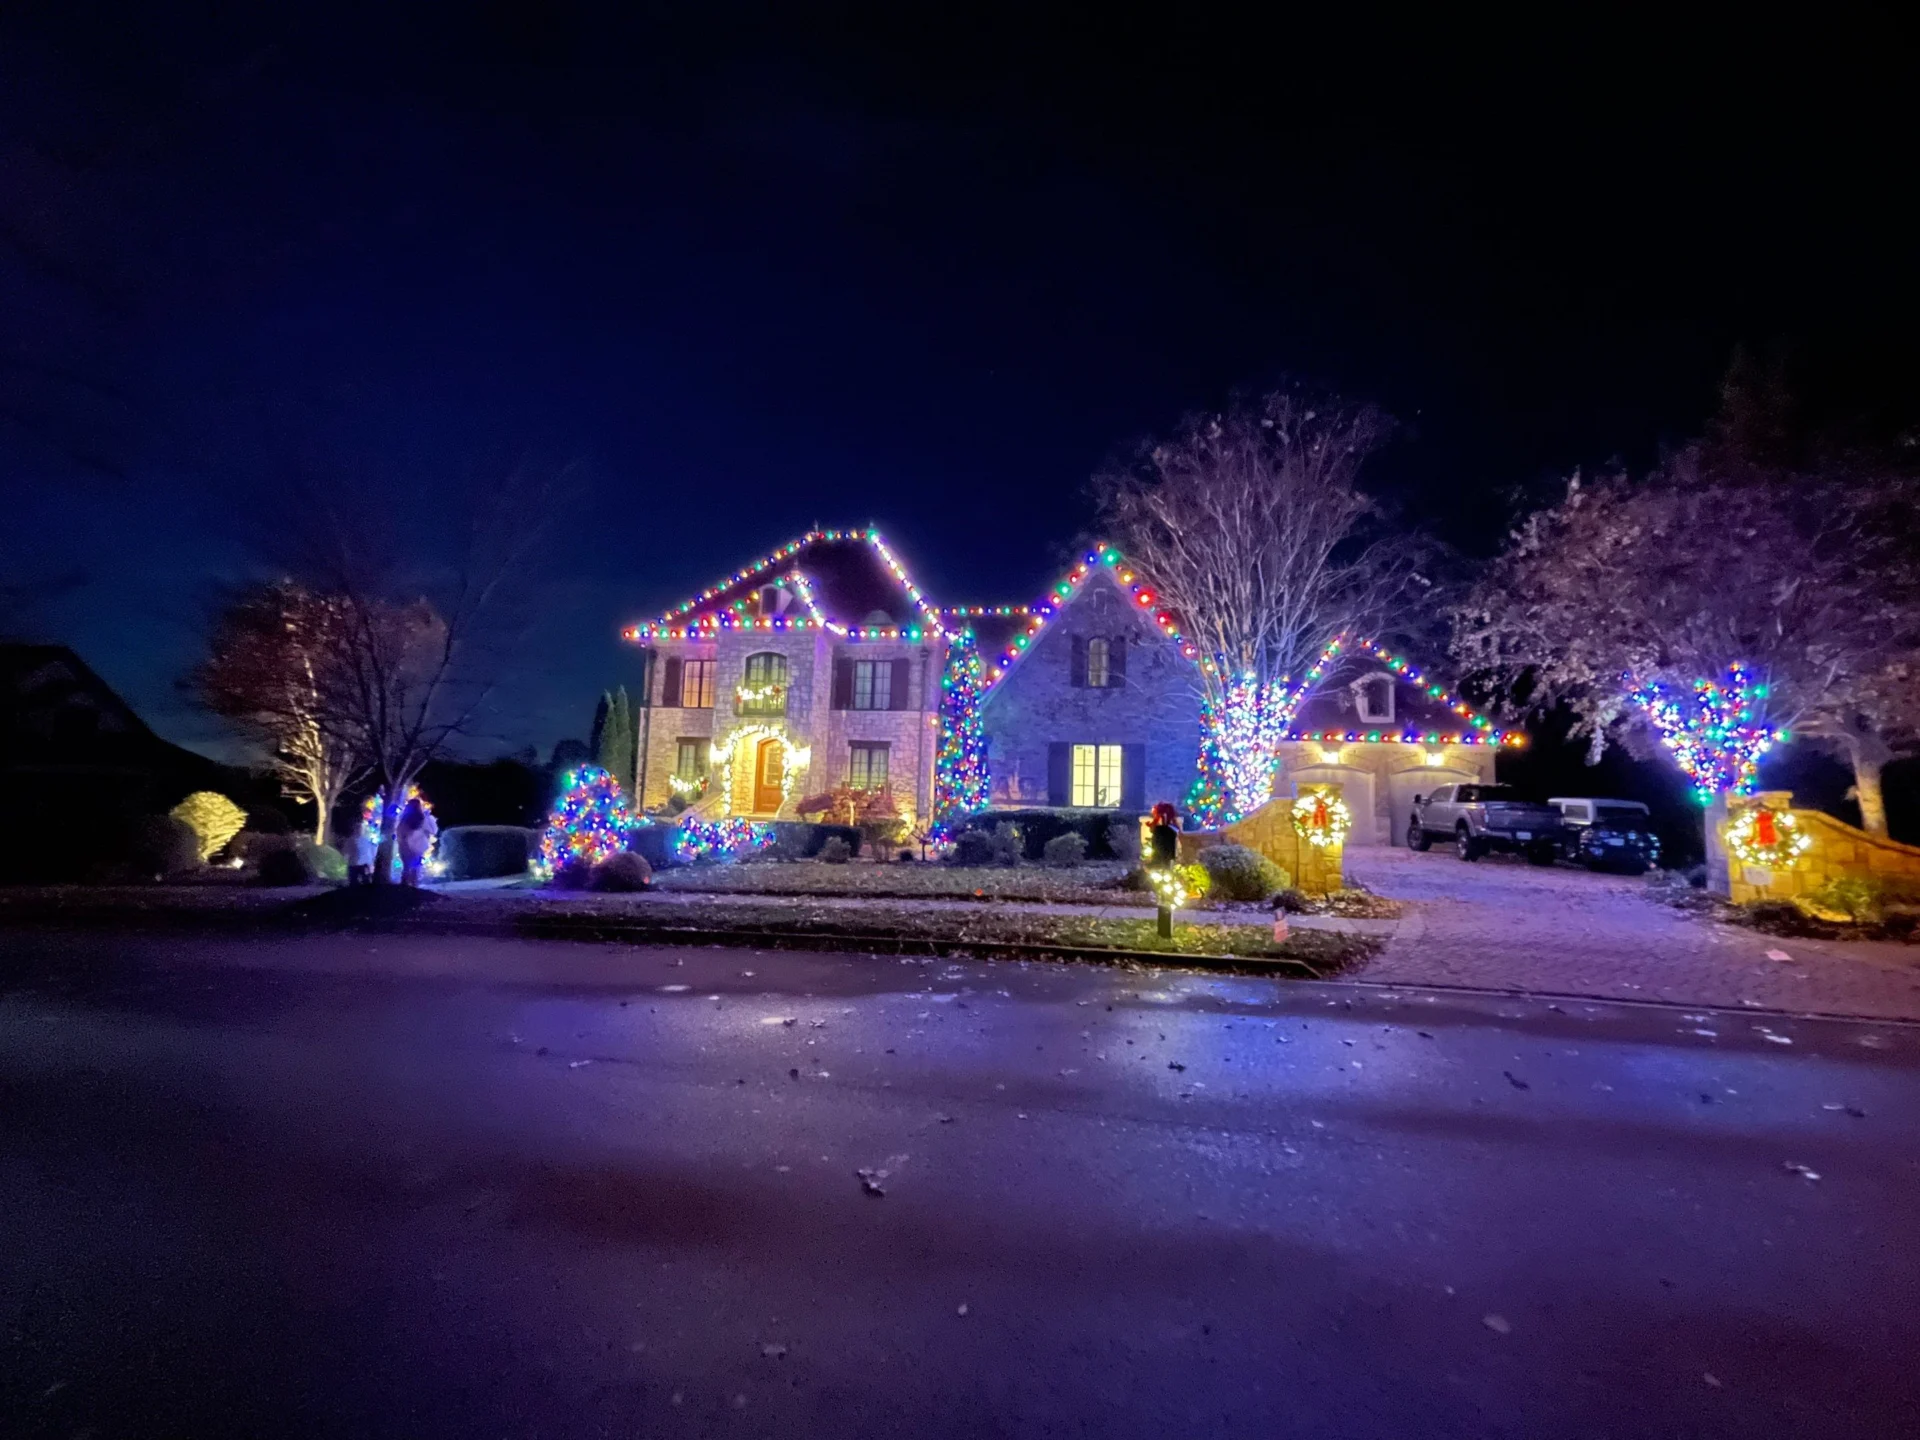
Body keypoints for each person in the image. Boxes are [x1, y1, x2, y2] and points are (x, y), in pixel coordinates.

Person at [396, 798, 438, 888]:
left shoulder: (403, 819)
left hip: (405, 846)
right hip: (418, 847)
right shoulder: (423, 819)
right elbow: (433, 831)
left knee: (406, 868)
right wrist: (429, 818)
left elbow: (399, 832)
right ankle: (414, 889)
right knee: (415, 869)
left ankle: (404, 889)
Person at [345, 817, 376, 886]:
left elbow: (370, 852)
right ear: (355, 829)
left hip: (363, 865)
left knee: (365, 881)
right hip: (354, 864)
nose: (359, 830)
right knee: (353, 881)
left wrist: (370, 863)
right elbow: (347, 852)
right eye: (358, 828)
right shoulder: (351, 840)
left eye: (360, 828)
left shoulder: (365, 840)